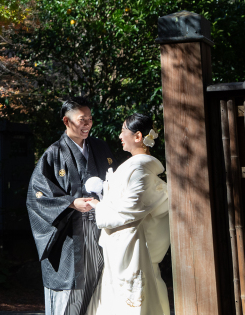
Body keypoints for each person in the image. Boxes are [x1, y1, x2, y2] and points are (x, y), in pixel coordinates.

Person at [27, 97, 115, 315]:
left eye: (90, 119)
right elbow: (37, 196)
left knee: (99, 297)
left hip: (99, 233)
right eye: (82, 120)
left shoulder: (100, 147)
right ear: (67, 121)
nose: (87, 124)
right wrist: (71, 203)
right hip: (69, 238)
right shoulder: (53, 153)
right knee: (67, 300)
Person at [85, 113, 170, 315]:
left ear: (138, 136)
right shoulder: (135, 167)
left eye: (123, 131)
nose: (120, 136)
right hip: (122, 245)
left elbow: (130, 209)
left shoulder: (140, 170)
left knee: (131, 303)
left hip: (131, 246)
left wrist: (99, 206)